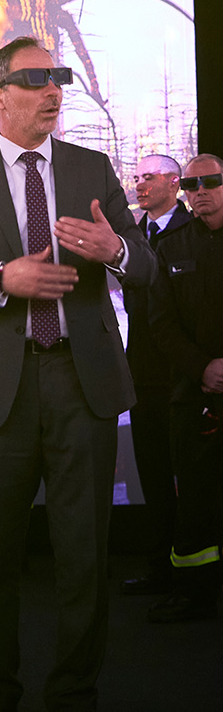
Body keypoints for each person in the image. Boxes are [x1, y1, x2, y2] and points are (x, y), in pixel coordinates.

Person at [0, 36, 156, 712]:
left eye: (61, 78)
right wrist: (2, 277)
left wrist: (115, 251)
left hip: (84, 383)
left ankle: (75, 690)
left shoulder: (91, 166)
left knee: (85, 554)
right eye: (38, 78)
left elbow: (144, 265)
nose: (54, 90)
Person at [148, 152, 223, 623]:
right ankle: (194, 595)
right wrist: (203, 368)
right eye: (192, 186)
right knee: (194, 500)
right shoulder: (172, 247)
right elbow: (161, 323)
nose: (200, 193)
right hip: (195, 395)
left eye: (210, 183)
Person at [121, 154, 189, 597]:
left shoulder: (195, 230)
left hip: (185, 373)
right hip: (143, 371)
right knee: (153, 475)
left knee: (191, 476)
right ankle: (161, 566)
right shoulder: (133, 236)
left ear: (174, 183)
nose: (139, 185)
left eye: (149, 177)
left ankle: (193, 572)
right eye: (137, 177)